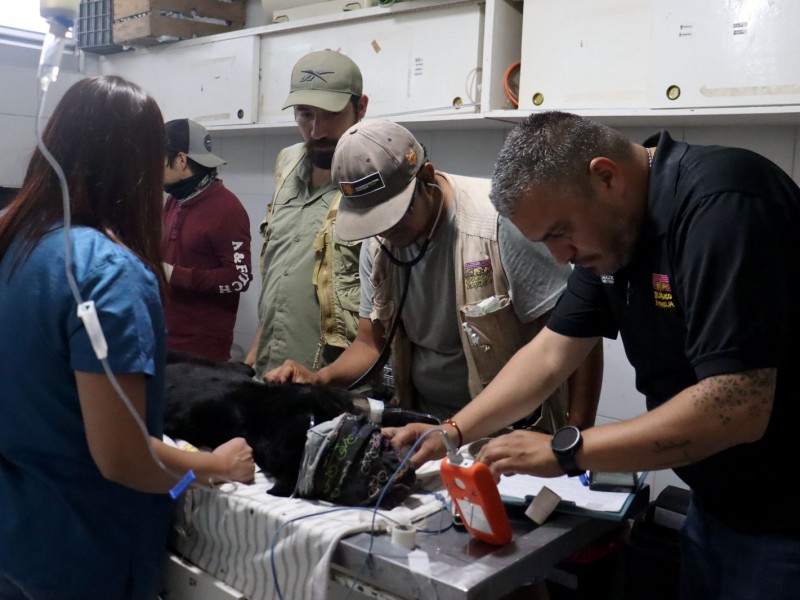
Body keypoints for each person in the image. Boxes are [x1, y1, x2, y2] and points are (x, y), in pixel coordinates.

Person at [389, 111, 800, 600]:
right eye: (547, 242)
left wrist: (566, 452)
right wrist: (453, 430)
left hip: (785, 517)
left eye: (562, 233)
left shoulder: (723, 205)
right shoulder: (611, 234)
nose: (561, 256)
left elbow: (737, 407)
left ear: (605, 176)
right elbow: (548, 355)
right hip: (718, 504)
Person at [0, 75, 255, 600]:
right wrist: (212, 468)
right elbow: (123, 458)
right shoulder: (105, 273)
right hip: (80, 550)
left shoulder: (12, 238)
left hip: (14, 535)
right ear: (136, 166)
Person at [268, 119, 604, 430]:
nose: (388, 232)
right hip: (427, 424)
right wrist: (319, 379)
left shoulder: (499, 224)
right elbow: (371, 342)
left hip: (513, 428)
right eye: (374, 222)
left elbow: (579, 339)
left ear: (426, 178)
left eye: (396, 216)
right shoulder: (377, 242)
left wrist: (576, 440)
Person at [245, 49, 368, 380]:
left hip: (332, 387)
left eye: (330, 115)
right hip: (268, 373)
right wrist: (252, 359)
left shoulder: (380, 180)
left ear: (361, 108)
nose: (316, 131)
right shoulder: (287, 163)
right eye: (305, 114)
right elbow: (279, 274)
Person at [162, 118, 252, 361]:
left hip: (201, 356)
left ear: (181, 160)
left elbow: (240, 278)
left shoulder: (227, 209)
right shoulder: (174, 200)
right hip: (164, 340)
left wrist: (175, 274)